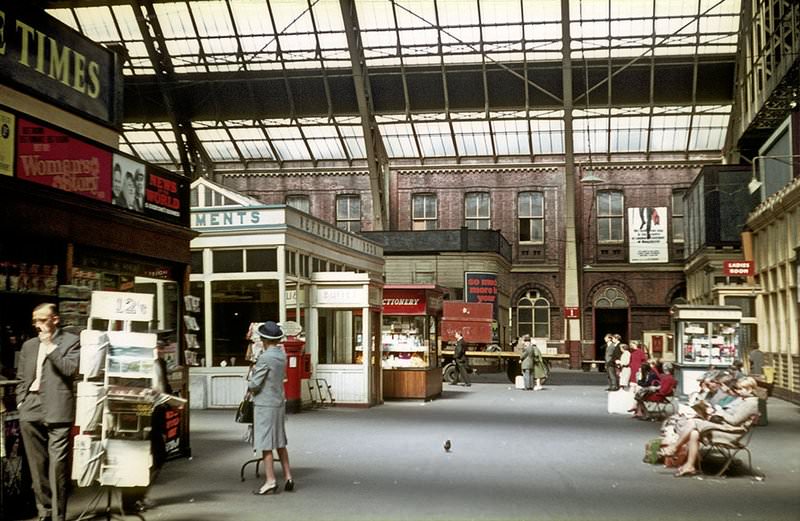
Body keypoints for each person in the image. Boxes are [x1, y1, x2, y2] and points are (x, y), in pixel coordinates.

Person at [16, 303, 80, 521]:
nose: (38, 325)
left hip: (58, 406)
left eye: (42, 320)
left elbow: (70, 370)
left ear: (55, 320)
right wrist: (20, 401)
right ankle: (44, 511)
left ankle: (58, 515)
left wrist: (50, 346)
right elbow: (23, 378)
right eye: (35, 321)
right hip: (31, 406)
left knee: (58, 465)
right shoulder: (29, 346)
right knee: (36, 465)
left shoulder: (72, 341)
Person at [661, 377, 759, 477]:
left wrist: (720, 412)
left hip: (731, 432)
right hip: (725, 427)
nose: (738, 391)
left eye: (741, 389)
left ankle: (674, 448)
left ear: (750, 389)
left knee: (693, 422)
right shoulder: (744, 400)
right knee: (694, 432)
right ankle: (689, 465)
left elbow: (734, 421)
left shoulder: (751, 403)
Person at [249, 321, 295, 495]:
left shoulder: (265, 357)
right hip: (278, 401)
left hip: (265, 403)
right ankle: (288, 476)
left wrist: (251, 379)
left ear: (264, 339)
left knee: (266, 443)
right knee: (280, 441)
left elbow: (255, 384)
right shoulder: (281, 355)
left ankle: (270, 480)